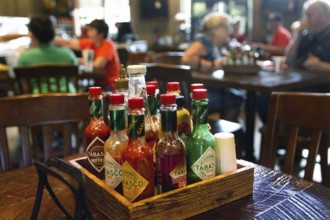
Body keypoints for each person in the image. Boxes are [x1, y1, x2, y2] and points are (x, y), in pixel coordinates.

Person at [182, 12, 245, 122]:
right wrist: (211, 65)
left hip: (206, 89)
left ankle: (228, 131)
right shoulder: (204, 41)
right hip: (200, 95)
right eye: (227, 27)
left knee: (235, 95)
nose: (229, 31)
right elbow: (186, 58)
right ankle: (228, 133)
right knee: (236, 98)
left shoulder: (212, 43)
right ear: (217, 29)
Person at [16, 14, 78, 93]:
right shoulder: (68, 54)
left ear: (32, 34)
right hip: (67, 100)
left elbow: (23, 86)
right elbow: (73, 80)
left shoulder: (25, 57)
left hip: (37, 101)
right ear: (53, 32)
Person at [55, 19, 120, 91]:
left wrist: (79, 60)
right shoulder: (91, 43)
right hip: (98, 83)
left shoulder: (108, 45)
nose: (88, 33)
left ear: (101, 33)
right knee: (82, 92)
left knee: (83, 94)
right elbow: (69, 43)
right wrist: (50, 38)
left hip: (111, 86)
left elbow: (97, 65)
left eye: (91, 31)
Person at [286, 0, 330, 72]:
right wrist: (297, 37)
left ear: (323, 16)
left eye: (309, 15)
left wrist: (322, 66)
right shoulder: (306, 33)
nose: (305, 19)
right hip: (300, 79)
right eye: (304, 15)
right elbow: (289, 59)